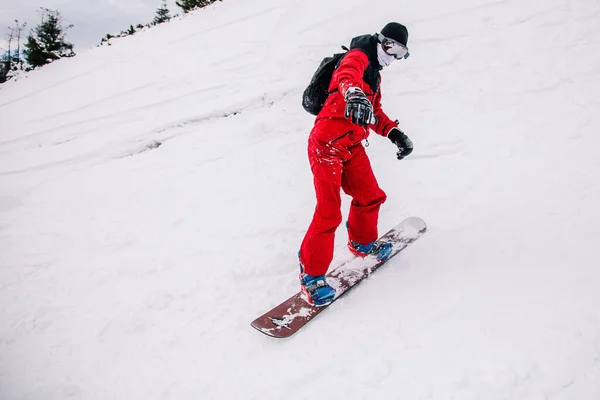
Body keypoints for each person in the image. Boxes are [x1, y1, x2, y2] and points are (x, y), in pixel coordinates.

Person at [298, 22, 414, 306]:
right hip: (326, 145)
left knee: (370, 195)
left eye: (401, 53)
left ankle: (361, 242)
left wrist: (394, 132)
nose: (393, 56)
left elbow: (374, 112)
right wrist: (353, 93)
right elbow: (346, 76)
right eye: (391, 48)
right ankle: (311, 276)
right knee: (328, 211)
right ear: (380, 41)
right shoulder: (359, 56)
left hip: (350, 145)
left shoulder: (374, 74)